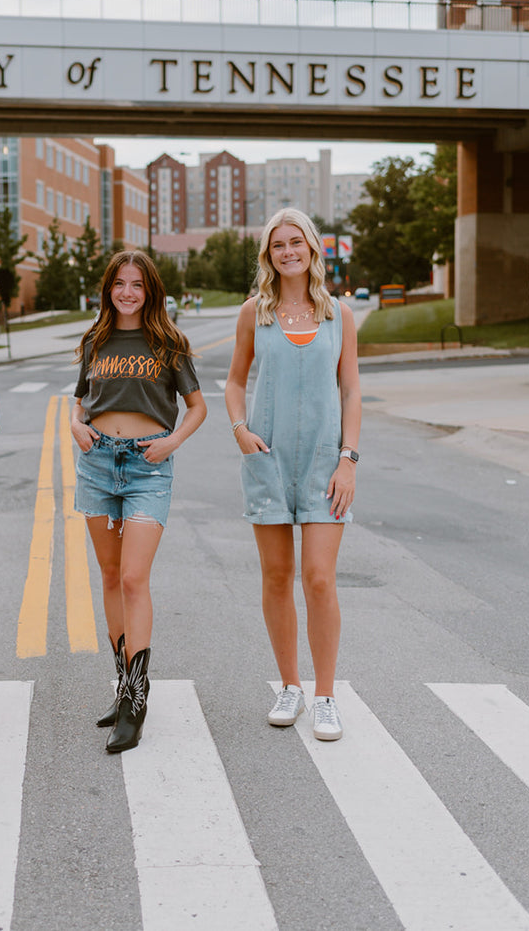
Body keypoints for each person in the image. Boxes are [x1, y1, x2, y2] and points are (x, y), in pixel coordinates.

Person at [225, 208, 361, 740]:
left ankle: (326, 695)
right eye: (278, 244)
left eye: (296, 242)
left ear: (312, 249)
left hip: (327, 465)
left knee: (319, 579)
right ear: (268, 254)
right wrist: (240, 429)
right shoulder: (253, 314)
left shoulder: (339, 315)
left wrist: (349, 459)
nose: (288, 251)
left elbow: (351, 391)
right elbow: (235, 382)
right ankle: (290, 685)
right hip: (269, 458)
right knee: (277, 578)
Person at [70, 249, 206, 753]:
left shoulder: (169, 342)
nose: (127, 292)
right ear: (108, 288)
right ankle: (124, 690)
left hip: (149, 467)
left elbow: (197, 407)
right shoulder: (95, 339)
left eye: (137, 285)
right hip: (98, 464)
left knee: (132, 578)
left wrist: (172, 442)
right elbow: (80, 398)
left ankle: (138, 699)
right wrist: (73, 424)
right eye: (119, 284)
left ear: (150, 292)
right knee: (108, 577)